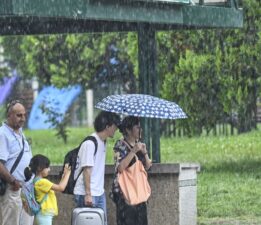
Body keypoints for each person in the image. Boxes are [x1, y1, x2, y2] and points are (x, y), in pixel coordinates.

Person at [73, 111, 120, 225]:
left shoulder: (103, 142)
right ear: (107, 126)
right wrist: (88, 194)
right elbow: (87, 170)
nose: (116, 129)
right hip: (87, 193)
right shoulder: (90, 143)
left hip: (99, 193)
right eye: (115, 126)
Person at [111, 116, 152, 225]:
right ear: (128, 130)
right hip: (125, 196)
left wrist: (145, 152)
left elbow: (147, 166)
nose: (140, 130)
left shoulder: (139, 145)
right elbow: (119, 168)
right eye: (137, 127)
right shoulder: (120, 145)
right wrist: (133, 151)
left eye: (140, 127)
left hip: (140, 194)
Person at [0, 99, 34, 225]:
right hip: (12, 189)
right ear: (9, 115)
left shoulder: (20, 132)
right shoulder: (3, 134)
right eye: (19, 115)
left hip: (26, 189)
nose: (23, 118)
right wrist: (13, 181)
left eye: (24, 115)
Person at [24, 154, 71, 225]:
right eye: (47, 167)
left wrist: (64, 175)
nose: (49, 169)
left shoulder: (39, 181)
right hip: (44, 214)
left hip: (44, 214)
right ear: (40, 168)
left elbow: (58, 187)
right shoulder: (42, 182)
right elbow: (61, 188)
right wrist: (68, 174)